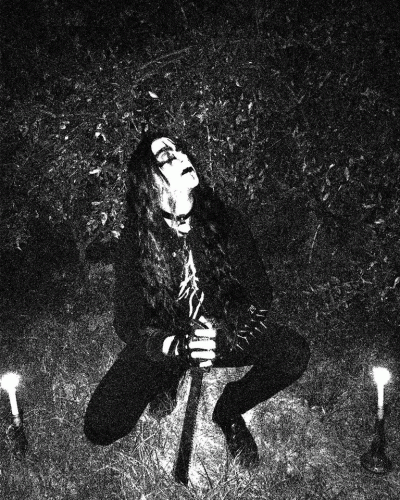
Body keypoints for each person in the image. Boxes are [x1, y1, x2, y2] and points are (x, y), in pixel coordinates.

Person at [83, 130, 310, 469]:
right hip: (169, 340)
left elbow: (260, 294)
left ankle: (229, 409)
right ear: (149, 180)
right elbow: (128, 322)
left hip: (222, 335)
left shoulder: (225, 220)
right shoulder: (136, 239)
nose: (182, 157)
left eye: (180, 150)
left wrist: (227, 333)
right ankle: (171, 375)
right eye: (167, 156)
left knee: (293, 352)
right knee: (101, 427)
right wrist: (175, 346)